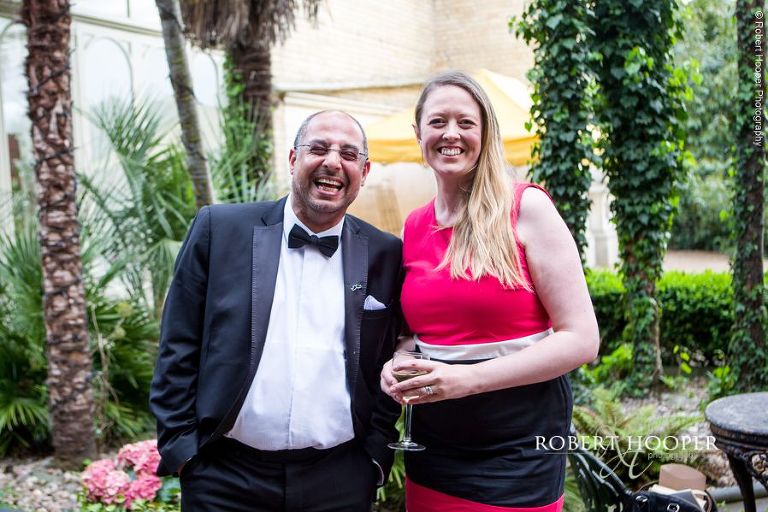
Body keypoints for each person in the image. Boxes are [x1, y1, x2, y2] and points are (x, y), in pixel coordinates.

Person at [151, 110, 404, 511]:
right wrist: (185, 453)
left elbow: (392, 356)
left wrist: (374, 456)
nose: (332, 162)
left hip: (339, 479)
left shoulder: (385, 253)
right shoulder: (220, 229)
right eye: (318, 148)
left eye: (349, 154)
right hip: (224, 478)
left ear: (365, 170)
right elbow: (178, 345)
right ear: (292, 160)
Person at [380, 71, 600, 512]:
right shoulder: (413, 225)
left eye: (466, 122)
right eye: (438, 121)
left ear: (485, 133)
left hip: (519, 443)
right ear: (418, 133)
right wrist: (401, 358)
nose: (451, 133)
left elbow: (582, 339)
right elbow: (417, 330)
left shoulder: (527, 207)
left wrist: (467, 381)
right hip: (434, 441)